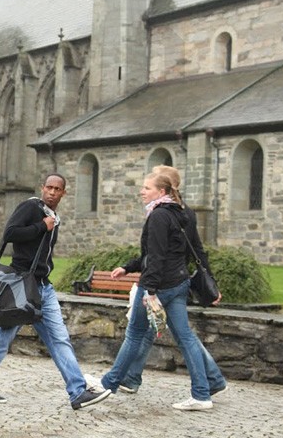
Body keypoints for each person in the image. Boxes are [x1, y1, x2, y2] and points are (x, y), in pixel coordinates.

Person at [0, 174, 112, 410]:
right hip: (22, 287)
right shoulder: (30, 207)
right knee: (4, 337)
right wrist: (40, 227)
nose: (52, 192)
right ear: (42, 188)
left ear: (63, 193)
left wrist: (47, 226)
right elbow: (9, 234)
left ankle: (77, 392)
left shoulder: (54, 217)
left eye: (57, 189)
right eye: (49, 187)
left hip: (43, 288)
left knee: (59, 339)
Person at [95, 172, 226, 410]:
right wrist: (128, 267)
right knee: (186, 338)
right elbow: (188, 251)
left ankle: (108, 384)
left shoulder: (158, 215)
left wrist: (150, 290)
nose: (142, 191)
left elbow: (156, 256)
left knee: (135, 334)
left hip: (160, 285)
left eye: (147, 188)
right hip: (179, 283)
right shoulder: (181, 212)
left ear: (162, 192)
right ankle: (201, 394)